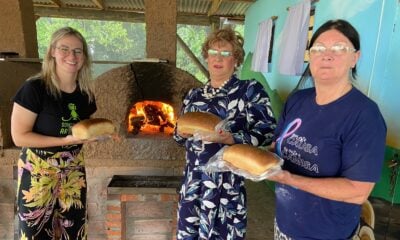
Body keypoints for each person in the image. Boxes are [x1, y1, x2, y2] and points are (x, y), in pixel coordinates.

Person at [267, 19, 387, 239]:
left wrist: (289, 179)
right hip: (284, 225)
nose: (327, 55)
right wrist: (243, 155)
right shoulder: (297, 101)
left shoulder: (364, 115)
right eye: (318, 48)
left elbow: (357, 192)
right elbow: (276, 148)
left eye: (340, 48)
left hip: (327, 233)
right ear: (310, 57)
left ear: (355, 58)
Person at [173, 28, 276, 239]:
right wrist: (180, 134)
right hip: (193, 182)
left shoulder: (249, 90)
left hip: (226, 184)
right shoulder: (193, 95)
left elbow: (267, 131)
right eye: (213, 52)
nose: (218, 58)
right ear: (206, 56)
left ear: (236, 59)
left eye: (226, 53)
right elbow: (178, 136)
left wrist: (231, 138)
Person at [11, 27, 97, 240]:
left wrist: (98, 134)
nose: (72, 56)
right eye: (64, 49)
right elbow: (19, 136)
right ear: (52, 52)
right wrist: (64, 140)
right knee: (35, 232)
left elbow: (83, 129)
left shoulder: (85, 93)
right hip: (39, 170)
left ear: (84, 57)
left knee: (75, 231)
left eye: (78, 51)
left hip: (73, 170)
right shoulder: (35, 88)